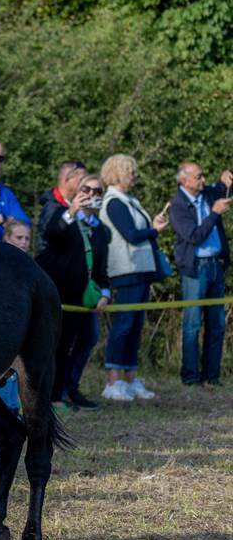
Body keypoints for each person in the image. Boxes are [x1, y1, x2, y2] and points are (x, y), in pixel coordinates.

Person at [98, 153, 168, 401]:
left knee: (136, 325)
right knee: (124, 324)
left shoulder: (130, 200)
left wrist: (152, 225)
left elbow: (141, 230)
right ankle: (114, 381)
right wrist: (154, 230)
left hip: (141, 268)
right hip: (126, 269)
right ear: (119, 173)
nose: (135, 177)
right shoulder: (114, 202)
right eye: (132, 172)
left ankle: (130, 378)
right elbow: (131, 234)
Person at [36, 174, 109, 411]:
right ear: (78, 190)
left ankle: (69, 387)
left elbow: (101, 266)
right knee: (60, 344)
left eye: (97, 192)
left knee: (88, 337)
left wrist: (105, 292)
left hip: (84, 296)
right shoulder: (62, 214)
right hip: (59, 293)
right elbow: (51, 235)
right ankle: (55, 396)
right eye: (86, 189)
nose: (91, 195)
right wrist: (72, 211)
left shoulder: (100, 230)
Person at [170, 163, 233, 387]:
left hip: (215, 265)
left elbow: (223, 187)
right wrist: (214, 213)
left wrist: (226, 178)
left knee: (217, 324)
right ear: (184, 181)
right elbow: (194, 236)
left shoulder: (206, 193)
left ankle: (211, 376)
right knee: (193, 324)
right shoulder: (177, 207)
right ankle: (190, 377)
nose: (203, 180)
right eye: (198, 177)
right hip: (196, 268)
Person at [37, 160, 88, 253]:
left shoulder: (72, 204)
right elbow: (49, 239)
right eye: (81, 180)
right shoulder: (51, 207)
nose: (84, 185)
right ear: (67, 179)